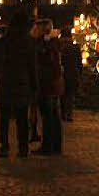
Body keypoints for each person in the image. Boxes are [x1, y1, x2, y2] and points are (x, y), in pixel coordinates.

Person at [0, 11, 37, 158]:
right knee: (21, 117)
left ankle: (4, 146)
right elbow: (32, 64)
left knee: (4, 118)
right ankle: (23, 147)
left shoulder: (6, 39)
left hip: (6, 81)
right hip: (22, 82)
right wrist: (34, 84)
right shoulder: (27, 41)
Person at [35, 19, 64, 155]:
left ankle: (48, 146)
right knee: (53, 116)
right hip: (53, 83)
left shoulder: (47, 44)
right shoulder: (53, 42)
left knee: (48, 116)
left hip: (48, 84)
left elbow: (48, 63)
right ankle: (55, 146)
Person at [59, 28, 81, 122]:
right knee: (70, 95)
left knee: (62, 95)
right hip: (72, 73)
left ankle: (63, 113)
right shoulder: (75, 47)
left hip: (61, 73)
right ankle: (69, 114)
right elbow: (79, 62)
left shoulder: (58, 46)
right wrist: (79, 73)